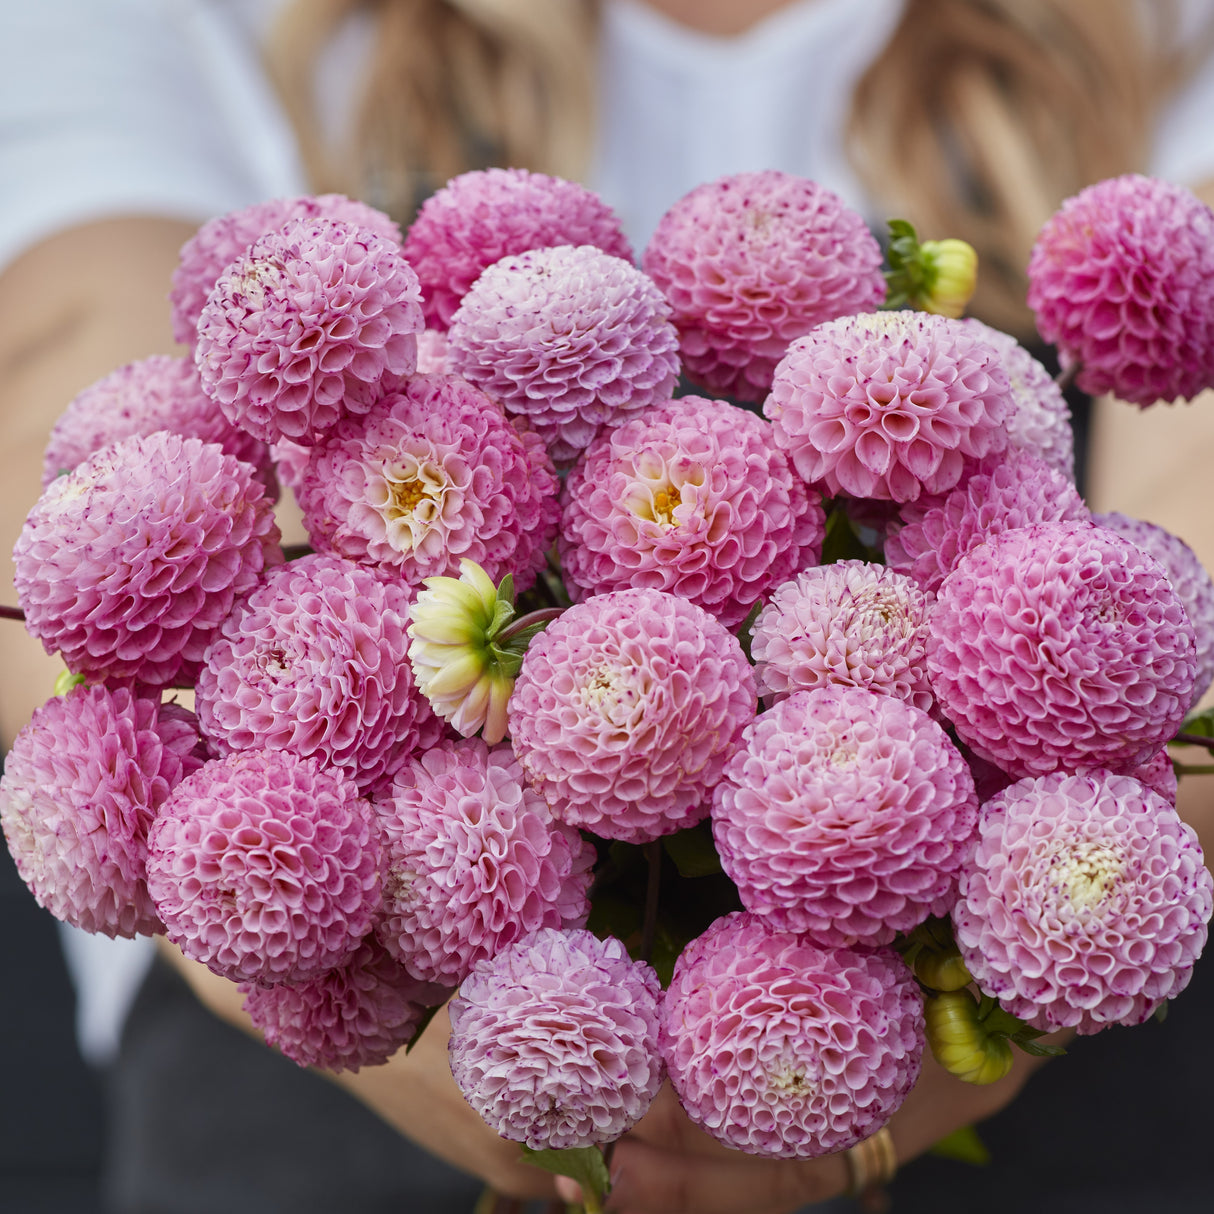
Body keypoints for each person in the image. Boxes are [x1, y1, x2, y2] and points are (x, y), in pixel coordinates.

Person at [2, 2, 1213, 1211]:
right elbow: (65, 478)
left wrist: (943, 1034)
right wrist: (262, 934)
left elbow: (1180, 573)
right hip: (326, 1115)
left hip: (1048, 1121)